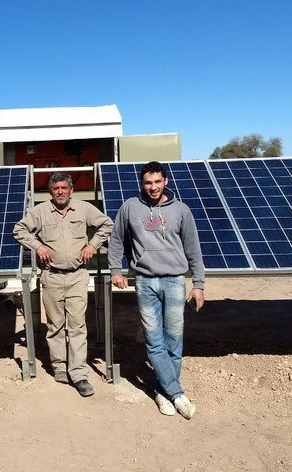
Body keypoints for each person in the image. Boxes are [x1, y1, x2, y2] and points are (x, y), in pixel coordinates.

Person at [108, 161, 205, 419]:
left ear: (166, 182)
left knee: (174, 339)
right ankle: (177, 394)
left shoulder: (181, 210)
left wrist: (198, 284)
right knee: (154, 340)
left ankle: (163, 391)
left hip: (175, 280)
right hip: (145, 280)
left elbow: (193, 248)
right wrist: (115, 270)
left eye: (157, 182)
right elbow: (116, 239)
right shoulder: (129, 207)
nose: (153, 187)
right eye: (148, 183)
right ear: (142, 184)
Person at [13, 172, 114, 397]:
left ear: (71, 190)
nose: (60, 192)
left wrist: (93, 245)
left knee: (77, 326)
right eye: (56, 188)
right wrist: (37, 246)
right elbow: (19, 229)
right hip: (51, 277)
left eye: (64, 188)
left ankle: (78, 373)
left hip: (78, 276)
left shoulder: (84, 209)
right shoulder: (39, 212)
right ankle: (59, 366)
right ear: (50, 191)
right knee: (55, 325)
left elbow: (107, 224)